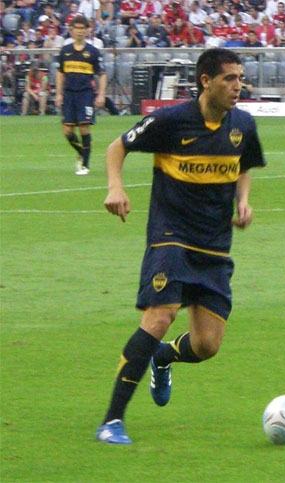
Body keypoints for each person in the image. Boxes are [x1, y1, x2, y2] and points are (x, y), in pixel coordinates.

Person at [96, 48, 266, 445]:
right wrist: (115, 187)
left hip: (214, 246)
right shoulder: (171, 120)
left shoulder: (243, 124)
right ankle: (112, 421)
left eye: (240, 78)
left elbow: (244, 166)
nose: (237, 85)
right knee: (160, 315)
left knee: (207, 346)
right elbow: (116, 147)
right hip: (170, 236)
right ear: (206, 81)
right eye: (229, 78)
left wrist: (243, 201)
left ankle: (165, 356)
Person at [55, 15, 106, 176]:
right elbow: (60, 73)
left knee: (84, 127)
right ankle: (82, 152)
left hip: (85, 94)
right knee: (67, 131)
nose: (79, 32)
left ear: (87, 30)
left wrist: (101, 94)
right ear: (71, 30)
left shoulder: (93, 52)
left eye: (82, 29)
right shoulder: (65, 51)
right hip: (69, 94)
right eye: (76, 29)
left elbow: (102, 74)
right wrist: (58, 93)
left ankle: (85, 164)